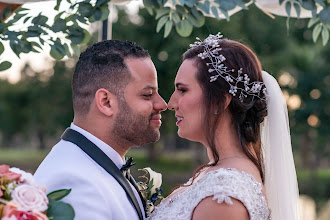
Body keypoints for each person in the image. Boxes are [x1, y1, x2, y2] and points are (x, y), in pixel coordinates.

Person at [148, 33, 300, 220]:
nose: (171, 103)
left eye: (182, 90)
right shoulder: (213, 175)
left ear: (220, 101)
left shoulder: (223, 195)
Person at [34, 40, 167, 220]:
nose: (162, 104)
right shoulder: (74, 183)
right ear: (106, 102)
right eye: (147, 95)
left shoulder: (95, 163)